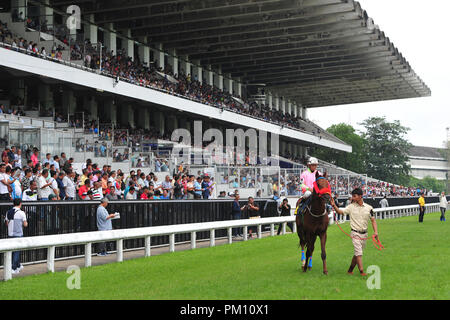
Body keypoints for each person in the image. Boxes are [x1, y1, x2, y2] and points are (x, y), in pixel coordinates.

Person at [330, 188, 379, 276]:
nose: (352, 198)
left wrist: (376, 232)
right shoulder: (351, 207)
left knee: (357, 253)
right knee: (359, 252)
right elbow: (341, 212)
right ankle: (362, 271)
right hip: (355, 233)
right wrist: (334, 206)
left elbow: (373, 221)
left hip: (365, 234)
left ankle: (350, 270)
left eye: (354, 196)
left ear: (360, 196)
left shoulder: (369, 208)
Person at [5, 198, 28, 274]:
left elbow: (7, 223)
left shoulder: (8, 212)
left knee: (13, 251)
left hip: (10, 234)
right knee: (17, 251)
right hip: (18, 234)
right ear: (20, 204)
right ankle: (13, 268)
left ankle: (18, 265)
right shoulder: (21, 213)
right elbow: (25, 224)